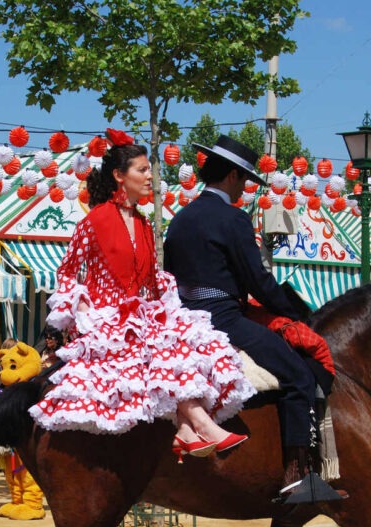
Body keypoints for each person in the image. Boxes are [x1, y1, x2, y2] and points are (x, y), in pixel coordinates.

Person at [32, 130, 254, 465]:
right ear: (119, 176)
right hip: (107, 320)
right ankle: (197, 424)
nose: (150, 175)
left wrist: (169, 311)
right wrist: (81, 308)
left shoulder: (145, 223)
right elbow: (68, 272)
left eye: (149, 169)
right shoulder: (95, 220)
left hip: (144, 316)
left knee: (185, 346)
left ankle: (187, 429)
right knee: (162, 347)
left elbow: (151, 281)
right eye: (141, 170)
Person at [164, 133, 337, 504]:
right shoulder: (233, 218)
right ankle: (298, 477)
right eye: (242, 180)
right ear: (230, 176)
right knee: (298, 375)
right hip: (224, 319)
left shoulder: (179, 220)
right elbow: (256, 281)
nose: (243, 187)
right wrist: (298, 312)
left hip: (183, 320)